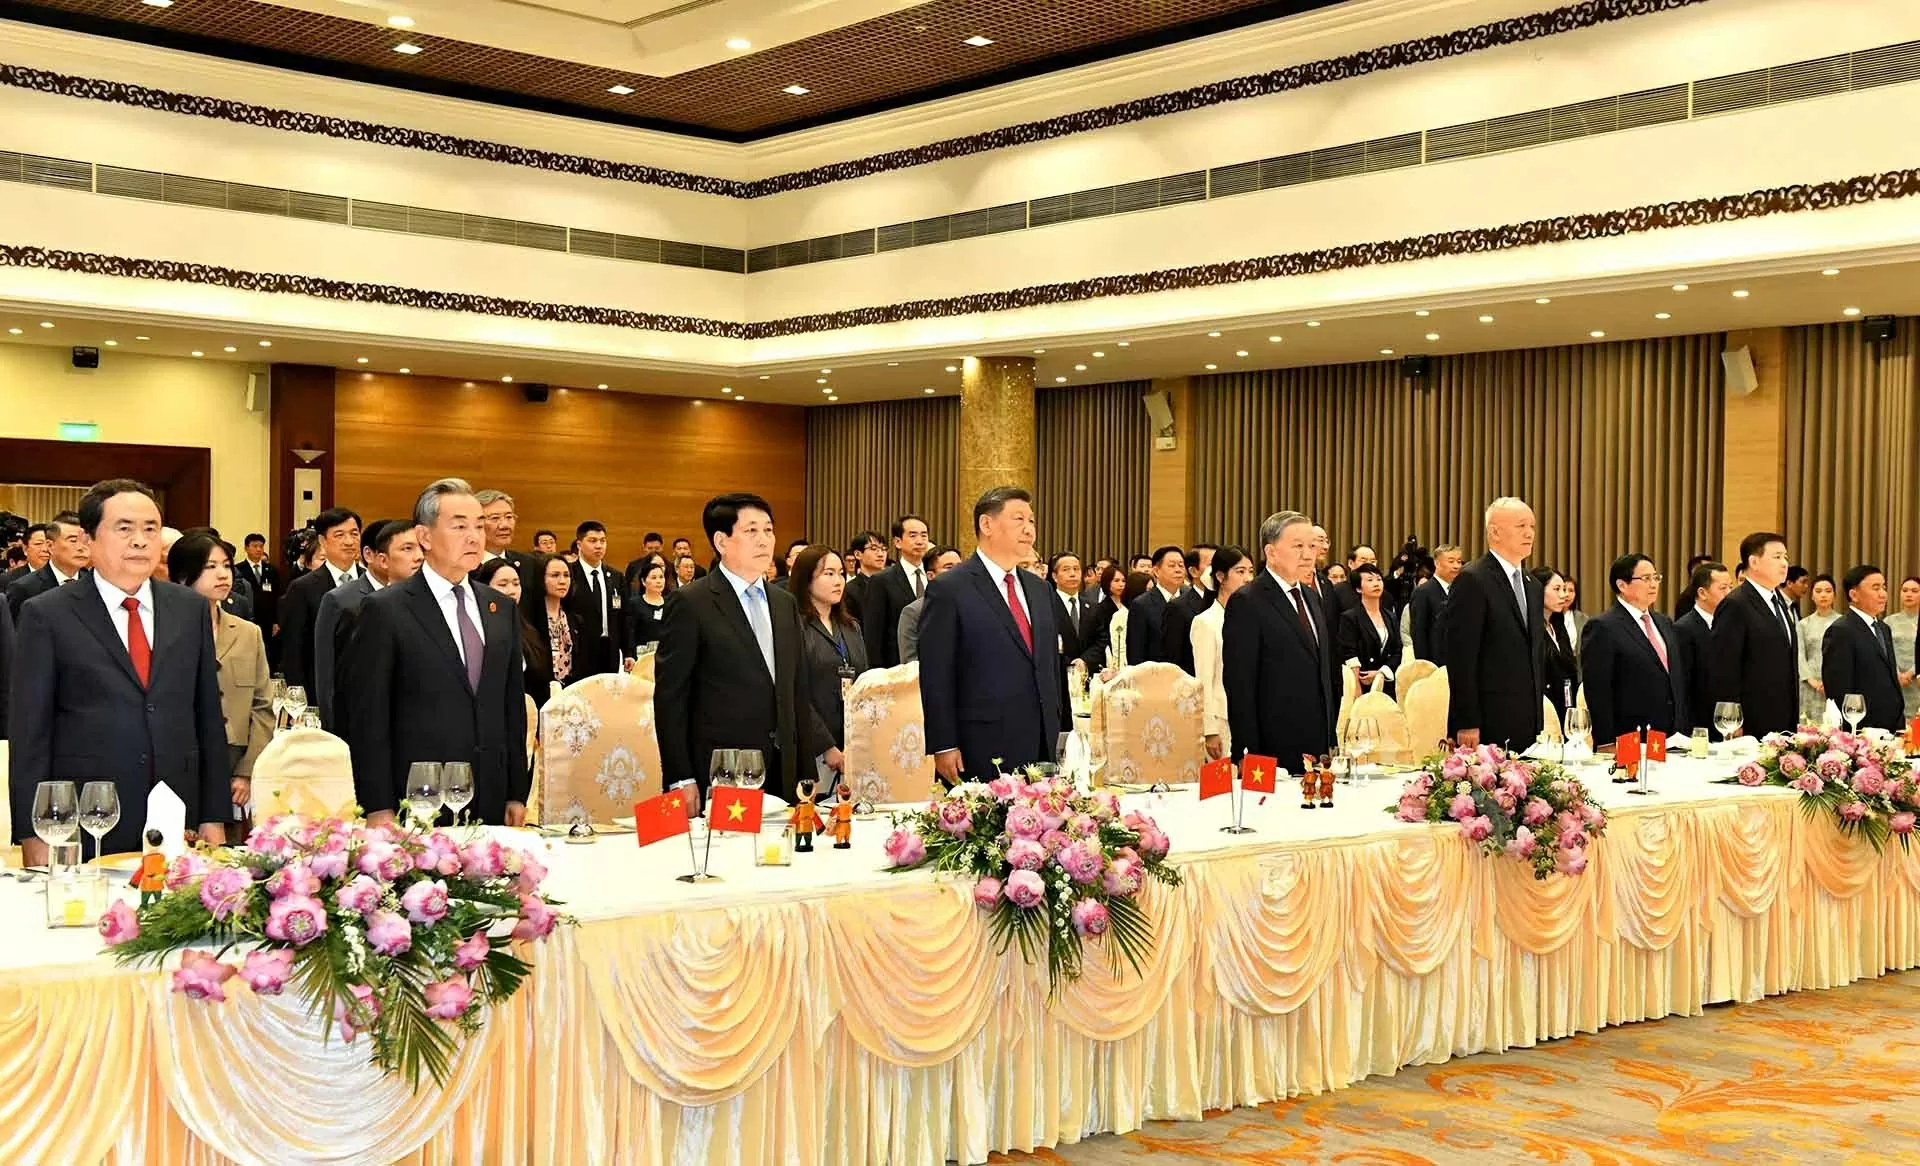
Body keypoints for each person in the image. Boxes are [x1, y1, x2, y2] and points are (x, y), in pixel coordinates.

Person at [9, 479, 229, 861]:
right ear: (88, 540)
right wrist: (34, 833)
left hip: (178, 816)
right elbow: (30, 733)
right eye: (124, 528)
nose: (141, 541)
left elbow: (207, 715)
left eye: (151, 529)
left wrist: (213, 815)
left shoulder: (188, 608)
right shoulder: (47, 614)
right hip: (86, 821)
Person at [345, 478, 529, 827]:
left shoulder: (499, 607)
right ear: (424, 537)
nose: (474, 536)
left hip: (489, 795)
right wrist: (378, 806)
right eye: (459, 526)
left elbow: (511, 707)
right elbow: (368, 717)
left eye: (479, 525)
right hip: (418, 799)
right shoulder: (386, 609)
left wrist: (515, 791)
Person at [655, 493, 829, 800]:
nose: (764, 540)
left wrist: (805, 770)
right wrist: (680, 778)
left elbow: (797, 690)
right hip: (724, 772)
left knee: (781, 850)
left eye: (769, 530)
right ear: (722, 541)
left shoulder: (784, 602)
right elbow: (671, 699)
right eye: (751, 531)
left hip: (784, 770)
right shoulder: (691, 603)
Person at [919, 486, 1062, 783]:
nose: (1029, 529)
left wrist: (1061, 731)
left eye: (1032, 521)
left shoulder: (1040, 589)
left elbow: (1049, 664)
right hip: (981, 743)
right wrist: (944, 743)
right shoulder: (950, 589)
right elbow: (937, 672)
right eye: (1018, 519)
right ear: (987, 525)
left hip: (1041, 741)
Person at [167, 531, 272, 824]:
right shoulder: (165, 632)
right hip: (183, 762)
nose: (223, 575)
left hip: (234, 762)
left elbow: (263, 706)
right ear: (183, 576)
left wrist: (247, 770)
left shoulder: (248, 632)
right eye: (210, 567)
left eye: (226, 565)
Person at [1223, 511, 1338, 773]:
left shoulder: (1311, 597)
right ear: (1271, 552)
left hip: (1317, 743)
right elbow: (1240, 683)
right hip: (1272, 745)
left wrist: (1330, 737)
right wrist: (1246, 748)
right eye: (1298, 546)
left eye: (1312, 545)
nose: (1308, 554)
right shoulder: (1248, 601)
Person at [1443, 498, 1545, 750]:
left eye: (1532, 526)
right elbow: (1461, 657)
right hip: (1487, 719)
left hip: (1527, 720)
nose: (1529, 533)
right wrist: (1467, 720)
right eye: (1521, 526)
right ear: (1494, 532)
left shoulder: (1533, 585)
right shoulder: (1473, 580)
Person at [313, 519, 423, 728]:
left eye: (421, 549)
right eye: (407, 548)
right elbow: (328, 676)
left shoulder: (432, 602)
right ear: (378, 558)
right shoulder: (342, 601)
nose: (418, 557)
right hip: (363, 720)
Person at [1579, 554, 1687, 744]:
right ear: (1622, 585)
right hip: (1630, 737)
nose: (1653, 584)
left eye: (1656, 577)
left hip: (1672, 736)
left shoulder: (1664, 622)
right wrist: (1606, 742)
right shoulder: (1603, 627)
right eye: (1645, 579)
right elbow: (1598, 692)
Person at [1710, 532, 1800, 738]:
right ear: (1754, 561)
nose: (1784, 563)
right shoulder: (1736, 604)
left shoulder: (1779, 603)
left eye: (1785, 557)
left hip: (1784, 716)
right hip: (1751, 718)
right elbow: (1724, 666)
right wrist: (1731, 720)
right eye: (1776, 557)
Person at [791, 546, 870, 781]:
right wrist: (825, 745)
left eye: (841, 573)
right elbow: (796, 692)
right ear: (806, 579)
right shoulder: (794, 626)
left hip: (853, 744)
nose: (838, 581)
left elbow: (864, 683)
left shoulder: (851, 626)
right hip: (811, 747)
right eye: (828, 574)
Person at [278, 507, 363, 690]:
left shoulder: (373, 582)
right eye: (339, 535)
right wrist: (299, 696)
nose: (349, 541)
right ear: (322, 541)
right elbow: (294, 649)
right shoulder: (303, 588)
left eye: (354, 534)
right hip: (321, 689)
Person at [1821, 565, 1904, 733]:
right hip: (1862, 730)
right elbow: (1838, 689)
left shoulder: (1883, 627)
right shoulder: (1841, 630)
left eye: (1884, 587)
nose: (1883, 594)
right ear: (1854, 594)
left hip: (1891, 725)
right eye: (1875, 588)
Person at [1192, 545, 1254, 760]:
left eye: (1250, 571)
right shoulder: (1206, 622)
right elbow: (1204, 679)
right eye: (1240, 572)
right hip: (1221, 717)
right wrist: (1209, 730)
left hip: (1251, 715)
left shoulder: (1255, 619)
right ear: (1220, 576)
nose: (1248, 578)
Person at [859, 514, 931, 670]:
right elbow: (873, 635)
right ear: (898, 542)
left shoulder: (936, 577)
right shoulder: (882, 581)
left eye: (924, 535)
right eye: (913, 535)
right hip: (897, 668)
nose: (920, 541)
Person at [1673, 561, 1732, 735]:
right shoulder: (1683, 628)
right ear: (1702, 593)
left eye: (1730, 587)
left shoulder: (1731, 623)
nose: (1729, 594)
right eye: (1723, 588)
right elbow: (1684, 684)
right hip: (1698, 722)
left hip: (1728, 719)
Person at [566, 520, 625, 677]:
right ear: (579, 544)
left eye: (602, 541)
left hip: (610, 650)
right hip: (581, 650)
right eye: (592, 541)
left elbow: (625, 617)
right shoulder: (569, 574)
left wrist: (629, 652)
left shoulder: (616, 576)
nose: (599, 546)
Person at [520, 553, 580, 707]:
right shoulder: (528, 620)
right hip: (539, 696)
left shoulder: (574, 618)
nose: (562, 581)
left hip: (570, 695)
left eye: (566, 575)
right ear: (541, 579)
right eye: (555, 575)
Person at [6, 510, 88, 618]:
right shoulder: (24, 588)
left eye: (85, 541)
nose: (81, 547)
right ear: (50, 546)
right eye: (73, 541)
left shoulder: (92, 583)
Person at [1337, 562, 1402, 697]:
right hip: (1362, 682)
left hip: (1386, 682)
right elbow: (1349, 654)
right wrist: (1356, 687)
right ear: (1358, 589)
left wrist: (1381, 673)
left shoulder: (1390, 616)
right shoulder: (1350, 617)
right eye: (1370, 580)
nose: (1376, 583)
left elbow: (1397, 650)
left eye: (1379, 579)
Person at [1533, 566, 1580, 728]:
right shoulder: (1530, 628)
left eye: (1565, 590)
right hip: (1541, 708)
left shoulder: (1558, 625)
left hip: (1565, 702)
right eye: (1557, 589)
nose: (1564, 595)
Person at [1125, 546, 1186, 667]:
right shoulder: (1141, 604)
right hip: (1156, 676)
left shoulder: (1190, 599)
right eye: (1172, 565)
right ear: (1156, 571)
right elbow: (1136, 653)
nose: (1178, 570)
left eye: (1181, 565)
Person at [1797, 574, 1841, 724]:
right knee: (1808, 729)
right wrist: (1811, 680)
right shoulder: (1803, 624)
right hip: (1809, 684)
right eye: (1818, 591)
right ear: (1812, 596)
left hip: (1835, 684)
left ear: (1835, 595)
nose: (1823, 595)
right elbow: (1800, 655)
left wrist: (1830, 682)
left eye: (1828, 591)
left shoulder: (1843, 624)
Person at [1409, 543, 1463, 664]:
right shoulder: (1423, 592)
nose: (1456, 566)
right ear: (1437, 563)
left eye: (1459, 561)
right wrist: (1425, 665)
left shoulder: (1462, 590)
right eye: (1451, 561)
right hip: (1435, 662)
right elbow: (1419, 633)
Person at [234, 532, 281, 658]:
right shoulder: (238, 570)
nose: (259, 549)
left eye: (261, 546)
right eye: (255, 546)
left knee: (267, 652)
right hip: (247, 618)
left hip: (267, 619)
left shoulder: (271, 570)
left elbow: (278, 596)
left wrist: (276, 621)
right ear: (246, 548)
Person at [1049, 553, 1098, 668]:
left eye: (1076, 569)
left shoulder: (1092, 606)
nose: (1072, 574)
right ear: (1055, 576)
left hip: (1087, 671)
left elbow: (1101, 640)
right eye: (1066, 570)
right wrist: (1070, 664)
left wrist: (1085, 660)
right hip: (1058, 672)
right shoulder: (1047, 605)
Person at [475, 489, 533, 578]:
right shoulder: (464, 567)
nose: (504, 525)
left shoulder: (529, 565)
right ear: (476, 523)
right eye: (495, 518)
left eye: (509, 517)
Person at [1889, 575, 1920, 722]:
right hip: (1894, 680)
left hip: (1917, 681)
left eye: (1914, 591)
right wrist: (1897, 673)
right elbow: (1883, 650)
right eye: (1905, 590)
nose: (1909, 594)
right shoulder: (1889, 621)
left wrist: (1912, 672)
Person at [841, 531, 889, 623]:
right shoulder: (850, 590)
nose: (880, 554)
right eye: (873, 548)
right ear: (858, 554)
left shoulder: (892, 584)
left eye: (884, 549)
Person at [629, 556, 669, 652]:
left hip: (666, 655)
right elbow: (630, 633)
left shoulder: (670, 603)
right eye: (654, 578)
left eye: (661, 577)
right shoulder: (634, 604)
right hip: (642, 655)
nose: (659, 581)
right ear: (643, 581)